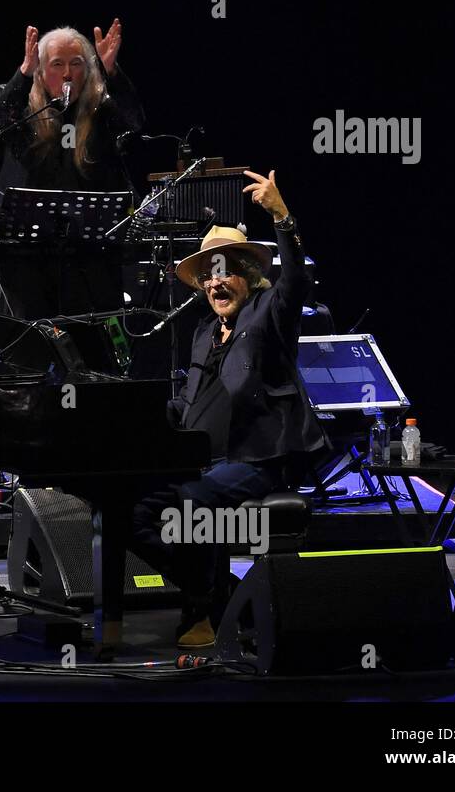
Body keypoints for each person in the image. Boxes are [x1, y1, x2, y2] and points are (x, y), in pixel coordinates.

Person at [130, 170, 329, 647]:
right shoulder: (202, 333)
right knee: (130, 513)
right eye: (209, 275)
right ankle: (219, 595)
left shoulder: (270, 313)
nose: (218, 283)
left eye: (227, 271)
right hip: (201, 463)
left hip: (257, 460)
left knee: (194, 503)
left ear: (249, 275)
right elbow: (186, 402)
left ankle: (208, 608)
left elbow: (297, 280)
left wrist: (281, 215)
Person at [0, 22, 145, 319]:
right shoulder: (22, 103)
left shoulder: (100, 108)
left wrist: (111, 73)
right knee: (31, 333)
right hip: (23, 248)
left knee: (89, 327)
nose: (67, 74)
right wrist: (24, 72)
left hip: (84, 246)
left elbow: (134, 122)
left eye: (76, 64)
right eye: (57, 64)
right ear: (40, 69)